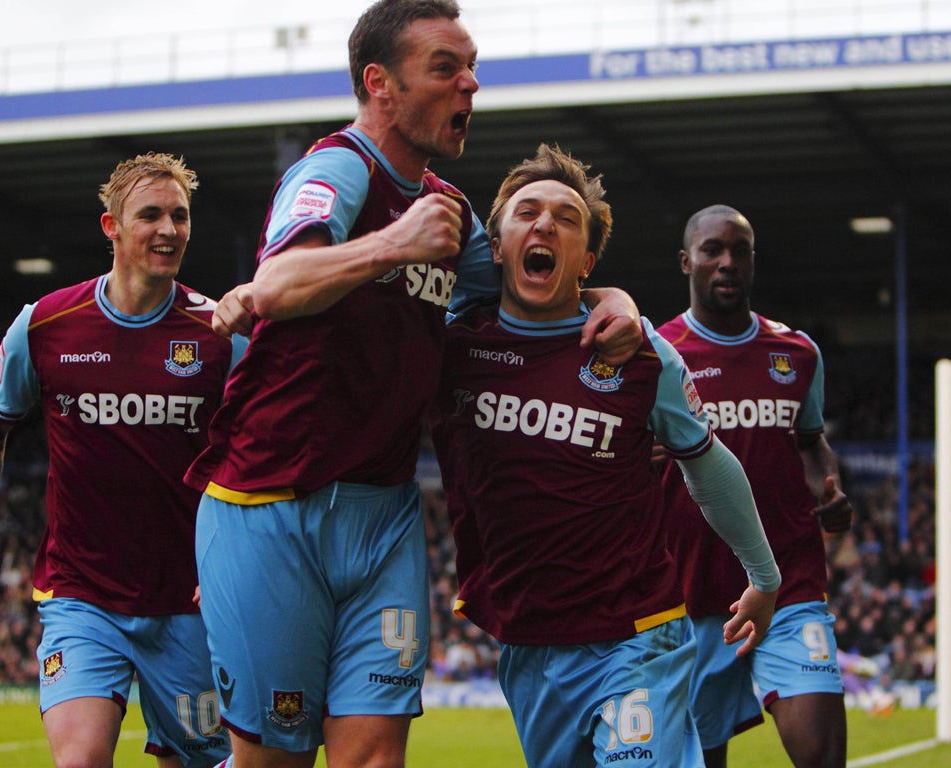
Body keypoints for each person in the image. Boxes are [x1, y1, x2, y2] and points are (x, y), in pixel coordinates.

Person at [185, 3, 641, 767]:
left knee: (374, 758)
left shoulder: (451, 213)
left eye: (472, 68)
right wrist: (392, 245)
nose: (469, 83)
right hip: (270, 506)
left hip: (385, 516)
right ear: (380, 84)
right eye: (445, 67)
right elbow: (276, 283)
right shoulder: (337, 168)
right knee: (274, 761)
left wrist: (614, 301)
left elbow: (533, 289)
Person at [428, 144, 781, 768]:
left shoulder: (641, 355)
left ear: (586, 260)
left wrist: (764, 574)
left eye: (566, 218)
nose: (544, 225)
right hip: (527, 641)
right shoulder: (450, 346)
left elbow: (707, 463)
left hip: (638, 630)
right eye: (527, 212)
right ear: (497, 247)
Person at [0, 153, 244, 768]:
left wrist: (242, 561)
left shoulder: (219, 332)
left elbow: (262, 451)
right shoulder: (46, 324)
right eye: (151, 215)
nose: (168, 229)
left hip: (190, 603)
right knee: (80, 759)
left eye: (180, 216)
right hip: (82, 598)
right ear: (111, 226)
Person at [657, 204, 854, 768]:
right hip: (693, 596)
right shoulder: (657, 358)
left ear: (752, 262)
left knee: (822, 756)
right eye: (712, 250)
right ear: (685, 262)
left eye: (739, 251)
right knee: (702, 760)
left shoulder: (796, 353)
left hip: (788, 583)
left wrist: (828, 489)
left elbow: (812, 443)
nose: (726, 263)